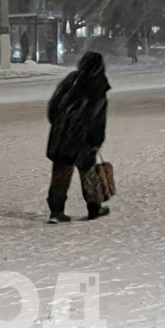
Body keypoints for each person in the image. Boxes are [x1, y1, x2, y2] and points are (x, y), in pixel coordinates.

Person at [45, 52, 111, 223]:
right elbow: (98, 118)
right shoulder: (98, 85)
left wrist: (61, 125)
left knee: (60, 174)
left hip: (62, 137)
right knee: (88, 173)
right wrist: (96, 140)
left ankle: (56, 211)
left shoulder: (71, 80)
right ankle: (94, 208)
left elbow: (53, 107)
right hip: (83, 139)